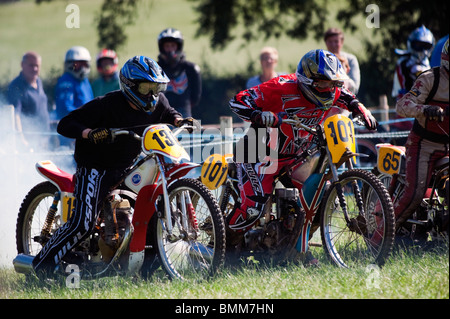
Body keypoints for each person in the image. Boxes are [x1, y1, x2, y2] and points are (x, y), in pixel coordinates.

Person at [31, 56, 191, 276]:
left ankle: (145, 267)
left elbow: (167, 112)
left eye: (156, 87)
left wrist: (179, 120)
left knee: (150, 207)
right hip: (95, 166)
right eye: (146, 87)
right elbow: (65, 124)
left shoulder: (158, 101)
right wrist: (90, 133)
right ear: (130, 86)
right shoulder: (106, 105)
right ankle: (41, 266)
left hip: (126, 166)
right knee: (83, 224)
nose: (152, 94)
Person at [228, 49, 377, 255]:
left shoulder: (333, 90)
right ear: (307, 81)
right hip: (259, 151)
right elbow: (237, 101)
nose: (329, 89)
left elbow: (344, 95)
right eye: (324, 84)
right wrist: (259, 115)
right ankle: (222, 246)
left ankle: (294, 250)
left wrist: (359, 106)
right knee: (253, 207)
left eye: (334, 83)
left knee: (322, 197)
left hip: (295, 156)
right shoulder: (280, 86)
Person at [393, 39, 449, 242]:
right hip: (424, 144)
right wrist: (426, 110)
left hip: (447, 145)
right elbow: (402, 105)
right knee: (414, 194)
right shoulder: (430, 78)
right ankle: (379, 237)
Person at [391, 26, 435, 136]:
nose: (422, 50)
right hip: (405, 104)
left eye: (425, 46)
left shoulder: (428, 64)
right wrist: (414, 72)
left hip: (423, 108)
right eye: (419, 45)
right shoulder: (403, 62)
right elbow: (406, 85)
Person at [7, 51, 50, 151]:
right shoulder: (16, 86)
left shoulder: (38, 81)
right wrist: (22, 140)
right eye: (31, 65)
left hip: (44, 140)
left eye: (37, 66)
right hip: (30, 143)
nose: (35, 69)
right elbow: (15, 114)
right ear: (22, 65)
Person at [54, 46, 94, 147]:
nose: (82, 68)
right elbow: (65, 108)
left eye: (84, 64)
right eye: (78, 64)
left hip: (84, 129)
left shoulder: (85, 81)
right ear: (69, 65)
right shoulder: (66, 81)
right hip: (72, 130)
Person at [157, 28, 202, 118]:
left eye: (173, 45)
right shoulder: (156, 68)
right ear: (162, 47)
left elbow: (195, 97)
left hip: (184, 114)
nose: (170, 50)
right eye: (167, 46)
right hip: (161, 114)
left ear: (179, 46)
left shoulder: (191, 68)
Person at [324, 28, 360, 94]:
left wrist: (343, 75)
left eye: (336, 41)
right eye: (330, 42)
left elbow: (355, 87)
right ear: (326, 42)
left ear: (342, 42)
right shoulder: (321, 59)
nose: (333, 45)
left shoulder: (350, 59)